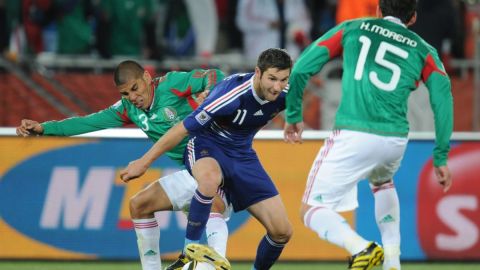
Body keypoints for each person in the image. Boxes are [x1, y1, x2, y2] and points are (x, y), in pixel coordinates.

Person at [283, 0, 453, 269]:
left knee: (311, 210)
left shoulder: (352, 27)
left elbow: (302, 66)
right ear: (412, 18)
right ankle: (393, 260)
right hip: (395, 138)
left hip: (354, 132)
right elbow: (443, 100)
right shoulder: (424, 50)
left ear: (378, 10)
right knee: (382, 182)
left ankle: (359, 247)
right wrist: (441, 155)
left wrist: (293, 115)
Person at [15, 60, 229, 270]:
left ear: (146, 77)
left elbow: (216, 75)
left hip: (218, 162)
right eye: (125, 94)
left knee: (213, 204)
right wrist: (43, 128)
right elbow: (87, 122)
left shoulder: (171, 83)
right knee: (139, 205)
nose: (132, 98)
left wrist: (209, 93)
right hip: (191, 172)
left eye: (135, 89)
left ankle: (216, 263)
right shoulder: (128, 108)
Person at [120, 48, 294, 270]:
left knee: (282, 231)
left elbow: (296, 99)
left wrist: (294, 120)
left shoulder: (288, 92)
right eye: (272, 79)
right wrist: (144, 162)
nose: (277, 87)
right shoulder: (231, 95)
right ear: (258, 73)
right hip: (207, 145)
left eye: (283, 79)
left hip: (242, 156)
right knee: (209, 180)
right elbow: (182, 129)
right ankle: (189, 252)